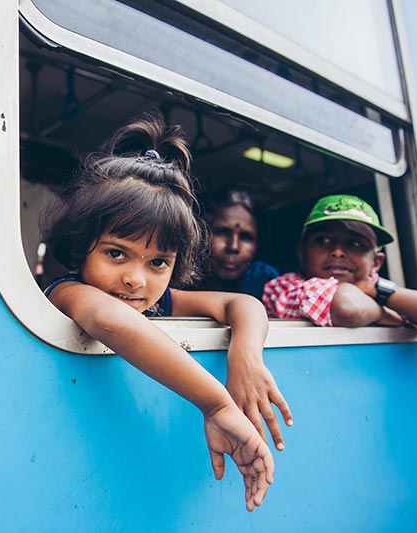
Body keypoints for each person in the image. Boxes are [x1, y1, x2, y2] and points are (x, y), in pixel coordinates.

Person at [43, 116, 292, 512]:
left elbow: (241, 304)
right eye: (115, 253)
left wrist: (245, 355)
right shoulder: (68, 292)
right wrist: (218, 404)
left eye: (158, 262)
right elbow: (109, 321)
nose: (135, 280)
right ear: (79, 247)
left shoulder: (161, 300)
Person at [263, 194, 417, 347]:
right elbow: (346, 306)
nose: (338, 251)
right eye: (323, 240)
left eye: (356, 244)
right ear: (302, 254)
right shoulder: (283, 287)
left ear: (377, 262)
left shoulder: (379, 291)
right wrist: (385, 313)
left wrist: (377, 289)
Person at [199, 190, 279, 300]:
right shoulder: (182, 278)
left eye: (245, 237)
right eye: (222, 232)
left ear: (257, 244)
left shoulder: (264, 279)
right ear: (201, 236)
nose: (233, 247)